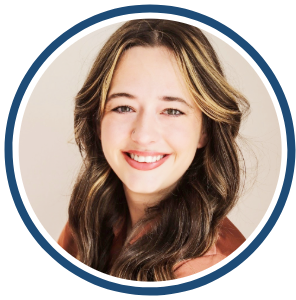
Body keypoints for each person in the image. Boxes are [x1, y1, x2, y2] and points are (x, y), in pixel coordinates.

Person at [58, 19, 249, 281]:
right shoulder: (89, 220)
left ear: (205, 130)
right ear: (97, 121)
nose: (144, 135)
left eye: (172, 111)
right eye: (124, 107)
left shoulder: (210, 269)